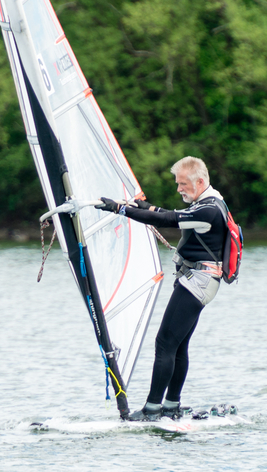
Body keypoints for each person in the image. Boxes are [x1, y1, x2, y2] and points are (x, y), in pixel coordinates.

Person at [96, 156, 232, 421]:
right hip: (200, 281)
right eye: (177, 183)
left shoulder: (209, 210)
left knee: (165, 343)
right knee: (178, 346)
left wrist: (119, 209)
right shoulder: (208, 201)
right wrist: (145, 207)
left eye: (182, 184)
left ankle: (152, 409)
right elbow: (170, 214)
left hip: (198, 282)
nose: (179, 189)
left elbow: (169, 220)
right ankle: (171, 405)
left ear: (200, 181)